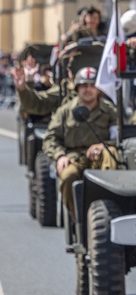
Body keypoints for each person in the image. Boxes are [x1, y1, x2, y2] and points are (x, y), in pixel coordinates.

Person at [42, 67, 119, 222]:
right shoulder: (65, 111)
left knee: (111, 159)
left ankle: (109, 211)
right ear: (77, 88)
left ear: (98, 89)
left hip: (100, 157)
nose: (88, 90)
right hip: (74, 157)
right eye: (84, 86)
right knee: (68, 176)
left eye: (92, 86)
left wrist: (103, 146)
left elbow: (121, 137)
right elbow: (50, 138)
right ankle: (77, 217)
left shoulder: (110, 111)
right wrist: (60, 156)